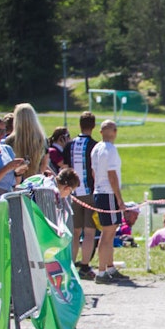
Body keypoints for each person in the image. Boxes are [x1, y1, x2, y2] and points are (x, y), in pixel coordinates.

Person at [90, 120, 129, 282]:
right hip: (108, 193)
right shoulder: (110, 149)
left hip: (99, 191)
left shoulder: (96, 149)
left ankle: (110, 267)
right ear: (114, 132)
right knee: (108, 234)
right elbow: (112, 175)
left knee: (110, 233)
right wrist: (119, 198)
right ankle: (101, 271)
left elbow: (93, 172)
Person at [64, 112, 99, 280]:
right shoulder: (94, 146)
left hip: (72, 194)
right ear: (93, 126)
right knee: (89, 232)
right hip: (90, 194)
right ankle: (84, 266)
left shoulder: (69, 145)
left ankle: (70, 266)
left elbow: (64, 167)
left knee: (75, 232)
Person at [6, 103, 51, 177]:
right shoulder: (42, 140)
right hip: (36, 180)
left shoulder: (9, 141)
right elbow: (44, 164)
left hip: (16, 181)